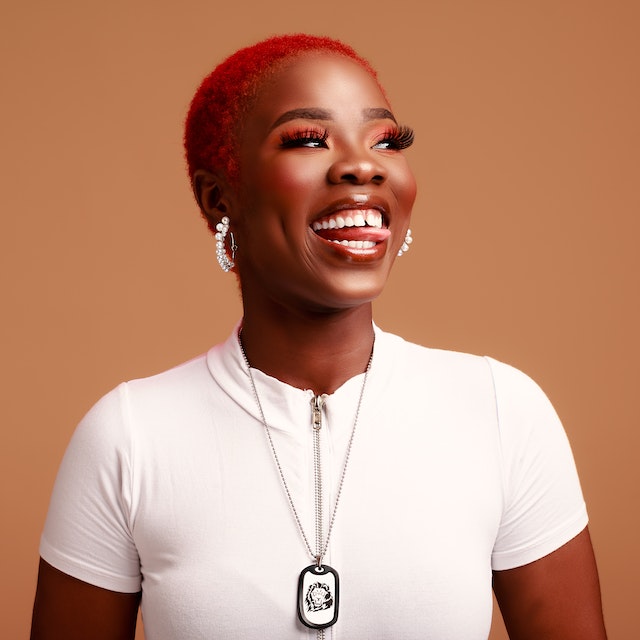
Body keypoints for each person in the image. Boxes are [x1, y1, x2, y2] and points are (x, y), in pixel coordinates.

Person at [30, 34, 607, 640]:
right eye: (308, 139)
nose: (364, 165)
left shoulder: (500, 412)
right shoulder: (129, 438)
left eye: (387, 141)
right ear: (219, 197)